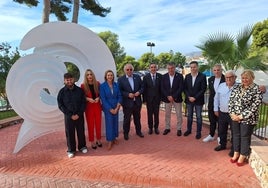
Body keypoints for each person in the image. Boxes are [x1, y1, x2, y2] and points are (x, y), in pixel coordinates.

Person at [229, 70, 263, 166]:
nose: (244, 80)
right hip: (234, 117)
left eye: (247, 78)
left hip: (248, 119)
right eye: (243, 78)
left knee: (244, 137)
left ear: (252, 78)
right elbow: (231, 100)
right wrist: (232, 114)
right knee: (235, 135)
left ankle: (243, 155)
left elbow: (254, 106)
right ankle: (236, 153)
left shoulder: (256, 89)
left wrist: (241, 116)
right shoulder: (237, 87)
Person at [57, 73, 87, 158]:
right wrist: (70, 115)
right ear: (64, 81)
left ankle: (82, 146)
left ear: (73, 79)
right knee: (69, 133)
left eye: (70, 79)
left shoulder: (80, 90)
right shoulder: (62, 92)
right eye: (67, 80)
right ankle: (71, 150)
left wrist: (78, 114)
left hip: (79, 115)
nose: (69, 81)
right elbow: (61, 105)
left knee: (81, 131)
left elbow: (83, 103)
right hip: (68, 116)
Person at [118, 63, 144, 140]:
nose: (129, 71)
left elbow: (142, 87)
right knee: (127, 119)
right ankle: (126, 133)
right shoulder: (121, 79)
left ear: (133, 70)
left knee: (137, 118)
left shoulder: (137, 77)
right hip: (127, 103)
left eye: (131, 69)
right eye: (127, 69)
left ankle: (138, 131)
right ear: (125, 70)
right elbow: (120, 91)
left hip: (137, 102)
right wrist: (127, 94)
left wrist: (139, 92)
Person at [213, 70, 237, 152]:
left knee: (234, 132)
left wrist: (261, 89)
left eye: (231, 77)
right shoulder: (221, 86)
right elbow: (216, 98)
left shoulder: (239, 87)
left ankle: (234, 148)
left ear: (235, 78)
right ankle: (222, 145)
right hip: (222, 113)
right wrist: (215, 109)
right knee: (221, 130)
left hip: (233, 114)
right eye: (227, 77)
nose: (229, 79)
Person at [183, 61, 207, 139]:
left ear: (197, 67)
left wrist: (195, 97)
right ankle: (189, 130)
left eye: (194, 67)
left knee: (199, 117)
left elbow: (203, 89)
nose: (193, 68)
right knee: (189, 116)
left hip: (198, 100)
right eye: (191, 67)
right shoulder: (187, 76)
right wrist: (189, 97)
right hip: (189, 100)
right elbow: (185, 88)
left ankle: (198, 132)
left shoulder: (202, 76)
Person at [100, 70, 122, 150]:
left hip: (116, 107)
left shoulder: (116, 85)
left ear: (113, 76)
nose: (110, 76)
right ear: (106, 76)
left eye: (111, 75)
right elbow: (103, 99)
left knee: (115, 122)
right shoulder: (102, 86)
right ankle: (109, 140)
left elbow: (120, 96)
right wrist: (110, 109)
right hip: (107, 108)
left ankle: (114, 138)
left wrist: (117, 106)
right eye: (108, 75)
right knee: (109, 124)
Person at [203, 64, 225, 143]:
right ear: (212, 71)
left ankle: (220, 137)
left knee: (220, 122)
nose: (216, 72)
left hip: (222, 104)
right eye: (215, 70)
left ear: (221, 70)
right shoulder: (211, 79)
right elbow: (212, 92)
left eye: (218, 70)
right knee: (212, 120)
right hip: (212, 104)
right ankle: (211, 135)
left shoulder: (225, 79)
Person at [81, 69, 102, 149]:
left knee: (98, 123)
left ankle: (99, 139)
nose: (89, 76)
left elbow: (101, 94)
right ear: (86, 76)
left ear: (93, 75)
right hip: (89, 107)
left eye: (90, 74)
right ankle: (92, 141)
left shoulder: (97, 84)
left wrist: (98, 98)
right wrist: (87, 99)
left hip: (97, 106)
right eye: (87, 75)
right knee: (90, 125)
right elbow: (82, 97)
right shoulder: (83, 86)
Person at [161, 62, 184, 136]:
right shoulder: (164, 76)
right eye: (169, 68)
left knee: (179, 115)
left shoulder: (180, 76)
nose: (170, 70)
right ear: (167, 69)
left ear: (174, 68)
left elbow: (181, 88)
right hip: (167, 99)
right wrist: (168, 96)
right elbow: (162, 88)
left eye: (172, 68)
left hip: (177, 98)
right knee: (167, 114)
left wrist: (173, 96)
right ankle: (167, 128)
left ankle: (179, 129)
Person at [143, 63, 162, 135]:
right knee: (149, 115)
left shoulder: (160, 76)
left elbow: (161, 88)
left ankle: (156, 128)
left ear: (156, 68)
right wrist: (144, 100)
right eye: (152, 67)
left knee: (156, 115)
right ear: (149, 68)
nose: (153, 69)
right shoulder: (145, 77)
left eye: (154, 67)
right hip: (149, 100)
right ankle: (150, 128)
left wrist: (161, 99)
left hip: (157, 99)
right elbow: (144, 89)